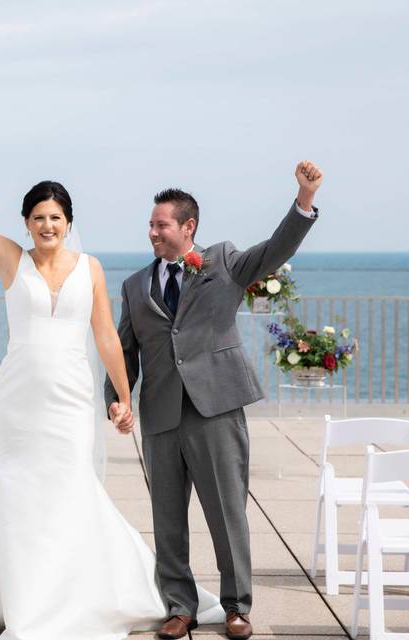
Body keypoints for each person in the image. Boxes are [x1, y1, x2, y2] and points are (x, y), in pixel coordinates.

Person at [0, 153, 224, 640]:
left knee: (70, 484)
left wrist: (124, 398)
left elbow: (106, 337)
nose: (46, 225)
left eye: (55, 217)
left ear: (68, 222)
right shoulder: (8, 259)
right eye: (38, 217)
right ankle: (26, 600)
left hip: (73, 397)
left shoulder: (92, 269)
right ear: (26, 222)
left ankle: (72, 591)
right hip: (20, 397)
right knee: (18, 489)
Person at [104, 161, 323, 640]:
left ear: (188, 227)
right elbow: (125, 350)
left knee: (227, 513)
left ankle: (237, 606)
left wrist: (303, 200)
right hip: (161, 414)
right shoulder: (135, 285)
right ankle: (178, 607)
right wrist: (117, 398)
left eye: (161, 225)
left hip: (216, 409)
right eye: (151, 224)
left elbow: (275, 250)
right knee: (167, 520)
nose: (153, 232)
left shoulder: (223, 260)